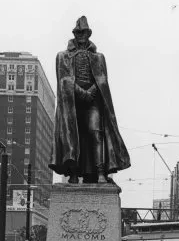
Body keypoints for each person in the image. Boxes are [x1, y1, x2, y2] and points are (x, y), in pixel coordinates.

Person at [49, 16, 131, 183]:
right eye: (78, 32)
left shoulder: (99, 57)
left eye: (84, 32)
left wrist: (92, 90)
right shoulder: (63, 56)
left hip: (94, 101)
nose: (80, 35)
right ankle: (73, 172)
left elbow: (102, 80)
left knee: (96, 133)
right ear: (74, 33)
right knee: (73, 134)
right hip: (73, 101)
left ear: (89, 33)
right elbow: (64, 81)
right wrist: (80, 91)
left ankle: (101, 172)